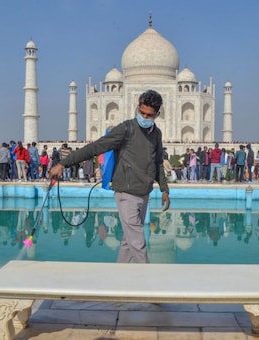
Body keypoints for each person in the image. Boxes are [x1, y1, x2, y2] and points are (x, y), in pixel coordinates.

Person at [49, 90, 170, 263]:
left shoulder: (156, 134)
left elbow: (157, 162)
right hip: (126, 193)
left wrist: (164, 189)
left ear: (157, 115)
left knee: (129, 242)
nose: (144, 117)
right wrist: (63, 163)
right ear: (137, 108)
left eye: (149, 115)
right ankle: (147, 283)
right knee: (138, 242)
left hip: (144, 193)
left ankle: (119, 278)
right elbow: (96, 147)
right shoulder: (126, 129)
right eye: (141, 112)